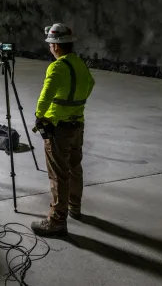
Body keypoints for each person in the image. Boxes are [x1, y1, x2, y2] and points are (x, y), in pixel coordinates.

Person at [31, 23, 95, 237]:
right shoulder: (80, 64)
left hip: (58, 128)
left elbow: (45, 96)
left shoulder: (57, 67)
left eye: (50, 44)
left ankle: (57, 221)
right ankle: (74, 208)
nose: (50, 48)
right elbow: (90, 84)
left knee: (59, 175)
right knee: (75, 167)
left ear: (56, 47)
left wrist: (40, 116)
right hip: (78, 124)